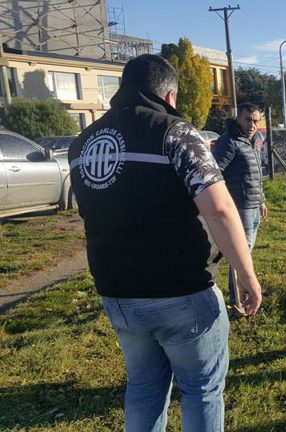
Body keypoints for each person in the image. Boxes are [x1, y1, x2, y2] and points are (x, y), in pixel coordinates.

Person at [68, 54, 262, 431]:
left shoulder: (82, 144)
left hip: (117, 292)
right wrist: (246, 275)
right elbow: (220, 209)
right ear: (169, 95)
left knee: (143, 387)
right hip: (180, 290)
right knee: (201, 389)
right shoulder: (175, 131)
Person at [212, 103, 267, 312]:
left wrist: (261, 200)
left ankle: (241, 294)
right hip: (239, 206)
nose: (252, 124)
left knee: (246, 251)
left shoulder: (251, 142)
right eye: (247, 120)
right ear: (238, 119)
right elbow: (216, 172)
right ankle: (238, 298)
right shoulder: (230, 142)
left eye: (255, 120)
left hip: (253, 205)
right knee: (240, 253)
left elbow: (255, 175)